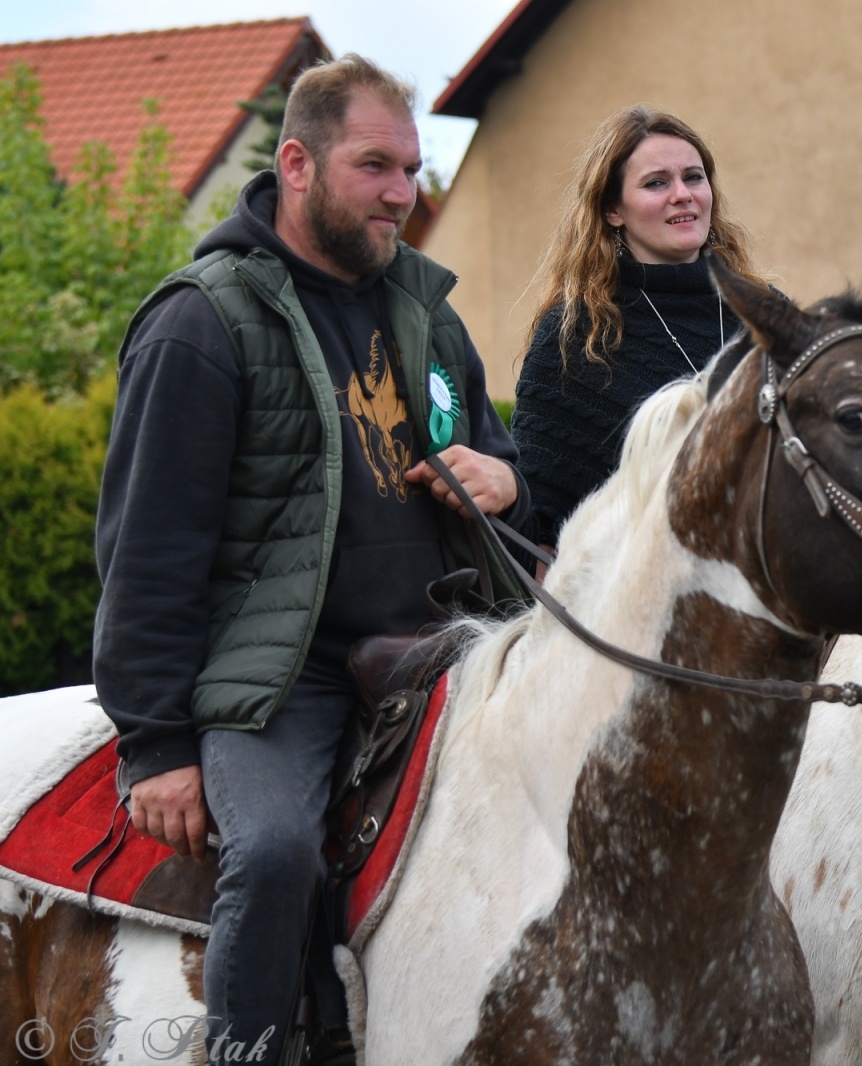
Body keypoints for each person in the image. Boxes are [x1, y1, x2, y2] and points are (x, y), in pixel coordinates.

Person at [93, 55, 528, 1063]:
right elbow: (146, 552)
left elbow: (501, 464)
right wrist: (156, 747)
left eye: (412, 169)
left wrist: (503, 479)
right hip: (285, 680)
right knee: (277, 853)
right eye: (375, 166)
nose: (401, 193)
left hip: (447, 654)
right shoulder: (201, 322)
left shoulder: (428, 311)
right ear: (296, 164)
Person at [511, 106, 765, 557]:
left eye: (694, 177)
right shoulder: (576, 335)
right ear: (613, 210)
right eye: (656, 183)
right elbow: (543, 527)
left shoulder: (764, 313)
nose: (682, 195)